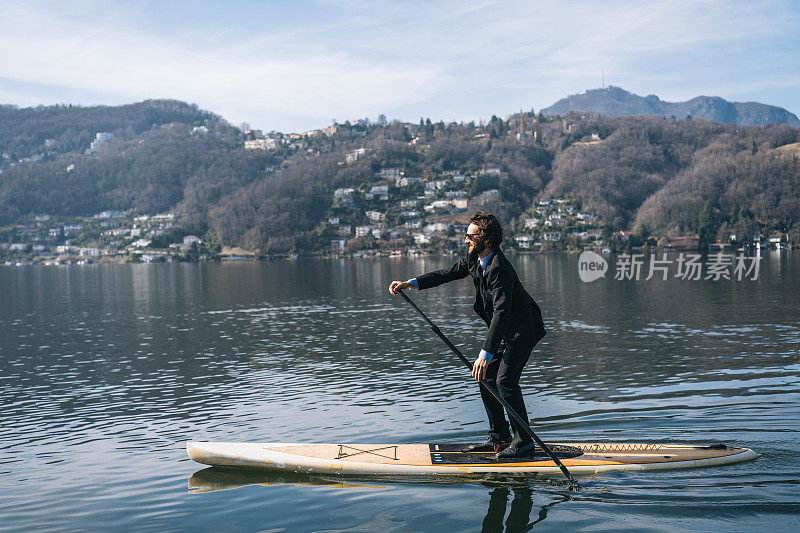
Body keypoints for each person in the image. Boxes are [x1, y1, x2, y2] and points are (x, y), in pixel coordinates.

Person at [389, 211, 547, 458]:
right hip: (504, 332)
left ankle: (524, 441)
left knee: (505, 381)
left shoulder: (500, 269)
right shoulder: (475, 260)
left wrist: (485, 354)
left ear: (486, 237)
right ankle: (499, 437)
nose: (466, 240)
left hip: (521, 331)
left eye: (470, 236)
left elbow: (501, 313)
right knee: (485, 378)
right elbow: (448, 273)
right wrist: (410, 283)